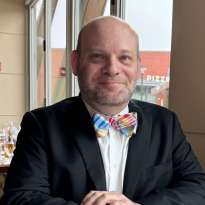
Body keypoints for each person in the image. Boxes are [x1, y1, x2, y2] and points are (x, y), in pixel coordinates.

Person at [1, 16, 205, 205]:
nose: (112, 69)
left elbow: (198, 187)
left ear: (138, 66)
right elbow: (20, 197)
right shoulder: (41, 124)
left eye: (125, 58)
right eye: (98, 56)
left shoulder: (165, 122)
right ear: (75, 63)